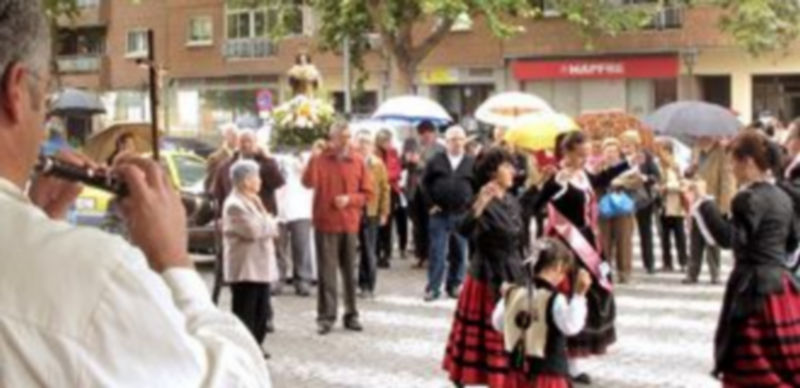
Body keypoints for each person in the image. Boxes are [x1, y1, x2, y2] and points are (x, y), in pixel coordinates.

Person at [0, 1, 270, 385]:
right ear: (15, 90)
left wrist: (35, 222)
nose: (44, 127)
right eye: (46, 101)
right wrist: (173, 259)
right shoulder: (98, 276)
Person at [689, 131, 800, 386]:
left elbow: (729, 238)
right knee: (782, 358)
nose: (731, 169)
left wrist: (703, 202)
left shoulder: (747, 197)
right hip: (782, 284)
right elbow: (792, 243)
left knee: (751, 360)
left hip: (753, 287)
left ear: (748, 162)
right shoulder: (783, 196)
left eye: (733, 162)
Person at [528, 131, 630, 384]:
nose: (586, 159)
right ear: (568, 152)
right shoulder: (558, 176)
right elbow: (535, 205)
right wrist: (552, 184)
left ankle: (573, 363)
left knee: (586, 297)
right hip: (565, 247)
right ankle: (561, 361)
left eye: (588, 154)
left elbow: (600, 179)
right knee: (565, 299)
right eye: (581, 154)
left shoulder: (583, 174)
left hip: (588, 243)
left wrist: (626, 163)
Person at [442, 147, 526, 387]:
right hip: (487, 275)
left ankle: (508, 376)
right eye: (507, 166)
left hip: (512, 270)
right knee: (486, 333)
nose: (513, 171)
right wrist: (479, 205)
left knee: (509, 331)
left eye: (513, 166)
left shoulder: (510, 198)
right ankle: (479, 376)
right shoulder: (482, 197)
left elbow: (522, 226)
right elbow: (463, 229)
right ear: (492, 171)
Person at [302, 121, 373, 335]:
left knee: (350, 272)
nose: (345, 140)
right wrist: (313, 159)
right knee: (326, 274)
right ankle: (326, 317)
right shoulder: (320, 159)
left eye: (348, 136)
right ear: (331, 137)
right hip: (325, 223)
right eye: (341, 136)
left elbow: (368, 194)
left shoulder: (358, 160)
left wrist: (350, 199)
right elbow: (307, 183)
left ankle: (351, 315)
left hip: (350, 224)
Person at [492, 238, 592, 388]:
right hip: (548, 373)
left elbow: (497, 323)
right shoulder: (554, 299)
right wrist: (579, 296)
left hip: (517, 371)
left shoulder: (513, 293)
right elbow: (571, 326)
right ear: (558, 266)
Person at [223, 160, 280, 358]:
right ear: (246, 180)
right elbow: (253, 231)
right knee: (245, 312)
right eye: (256, 177)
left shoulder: (254, 200)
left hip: (260, 267)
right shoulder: (234, 204)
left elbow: (269, 226)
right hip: (245, 269)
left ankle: (257, 345)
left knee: (261, 312)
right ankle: (245, 349)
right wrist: (269, 223)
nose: (260, 181)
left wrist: (267, 223)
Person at [421, 125, 475, 301]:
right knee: (437, 252)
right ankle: (433, 287)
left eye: (460, 139)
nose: (456, 142)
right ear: (446, 142)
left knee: (460, 252)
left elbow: (478, 187)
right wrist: (430, 205)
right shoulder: (436, 160)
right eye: (452, 139)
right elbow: (424, 184)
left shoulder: (471, 162)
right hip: (439, 214)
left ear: (465, 141)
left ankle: (455, 285)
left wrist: (472, 208)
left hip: (462, 214)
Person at [683, 136, 736, 284]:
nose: (699, 137)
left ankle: (715, 273)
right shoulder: (696, 150)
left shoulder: (721, 153)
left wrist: (725, 205)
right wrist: (689, 171)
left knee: (712, 239)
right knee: (695, 239)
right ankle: (692, 273)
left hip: (713, 201)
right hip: (696, 200)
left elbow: (726, 180)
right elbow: (688, 175)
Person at [353, 130, 390, 298]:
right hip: (352, 210)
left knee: (369, 249)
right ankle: (351, 282)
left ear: (371, 146)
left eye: (366, 143)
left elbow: (384, 188)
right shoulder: (350, 161)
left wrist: (384, 212)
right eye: (360, 142)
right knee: (349, 249)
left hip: (371, 211)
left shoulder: (377, 164)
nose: (363, 146)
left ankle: (367, 284)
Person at [404, 120, 446, 267]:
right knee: (417, 224)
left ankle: (432, 256)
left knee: (431, 224)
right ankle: (420, 255)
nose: (425, 137)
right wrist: (407, 160)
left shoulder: (440, 149)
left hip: (431, 191)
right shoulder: (414, 146)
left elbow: (437, 167)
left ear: (433, 133)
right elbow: (405, 166)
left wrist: (420, 162)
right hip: (415, 190)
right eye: (422, 134)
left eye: (427, 133)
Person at [619, 130, 660, 274]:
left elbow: (656, 176)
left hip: (643, 199)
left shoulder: (645, 156)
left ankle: (649, 264)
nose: (625, 148)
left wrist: (644, 178)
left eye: (628, 144)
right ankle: (624, 265)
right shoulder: (619, 158)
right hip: (623, 199)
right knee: (625, 233)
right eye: (623, 144)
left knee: (645, 231)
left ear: (636, 144)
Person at [274, 152, 315, 296]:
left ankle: (303, 280)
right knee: (278, 249)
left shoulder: (306, 163)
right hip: (279, 211)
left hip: (301, 210)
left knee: (301, 248)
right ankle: (277, 279)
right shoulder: (277, 162)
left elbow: (312, 181)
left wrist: (303, 166)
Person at [597, 138, 636, 284]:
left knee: (624, 241)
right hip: (603, 209)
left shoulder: (627, 166)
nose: (610, 154)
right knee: (603, 242)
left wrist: (620, 182)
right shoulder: (599, 167)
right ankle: (605, 273)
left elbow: (637, 181)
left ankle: (624, 272)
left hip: (623, 209)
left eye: (613, 151)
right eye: (607, 151)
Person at [654, 138, 688, 271]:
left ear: (669, 151)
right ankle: (667, 262)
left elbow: (682, 183)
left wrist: (667, 187)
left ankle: (683, 262)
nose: (660, 153)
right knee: (664, 236)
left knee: (680, 235)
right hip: (662, 204)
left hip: (675, 204)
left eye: (663, 150)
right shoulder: (657, 165)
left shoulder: (677, 165)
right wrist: (657, 187)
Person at [376, 128, 407, 265]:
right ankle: (376, 252)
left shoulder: (393, 153)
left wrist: (384, 176)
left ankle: (386, 253)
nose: (387, 143)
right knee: (375, 223)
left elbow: (397, 172)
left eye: (388, 140)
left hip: (391, 190)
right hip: (376, 191)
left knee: (388, 222)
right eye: (384, 140)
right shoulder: (374, 153)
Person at [206, 123, 239, 191]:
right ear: (224, 137)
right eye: (232, 134)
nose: (235, 137)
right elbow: (210, 182)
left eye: (236, 134)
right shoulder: (215, 158)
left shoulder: (242, 155)